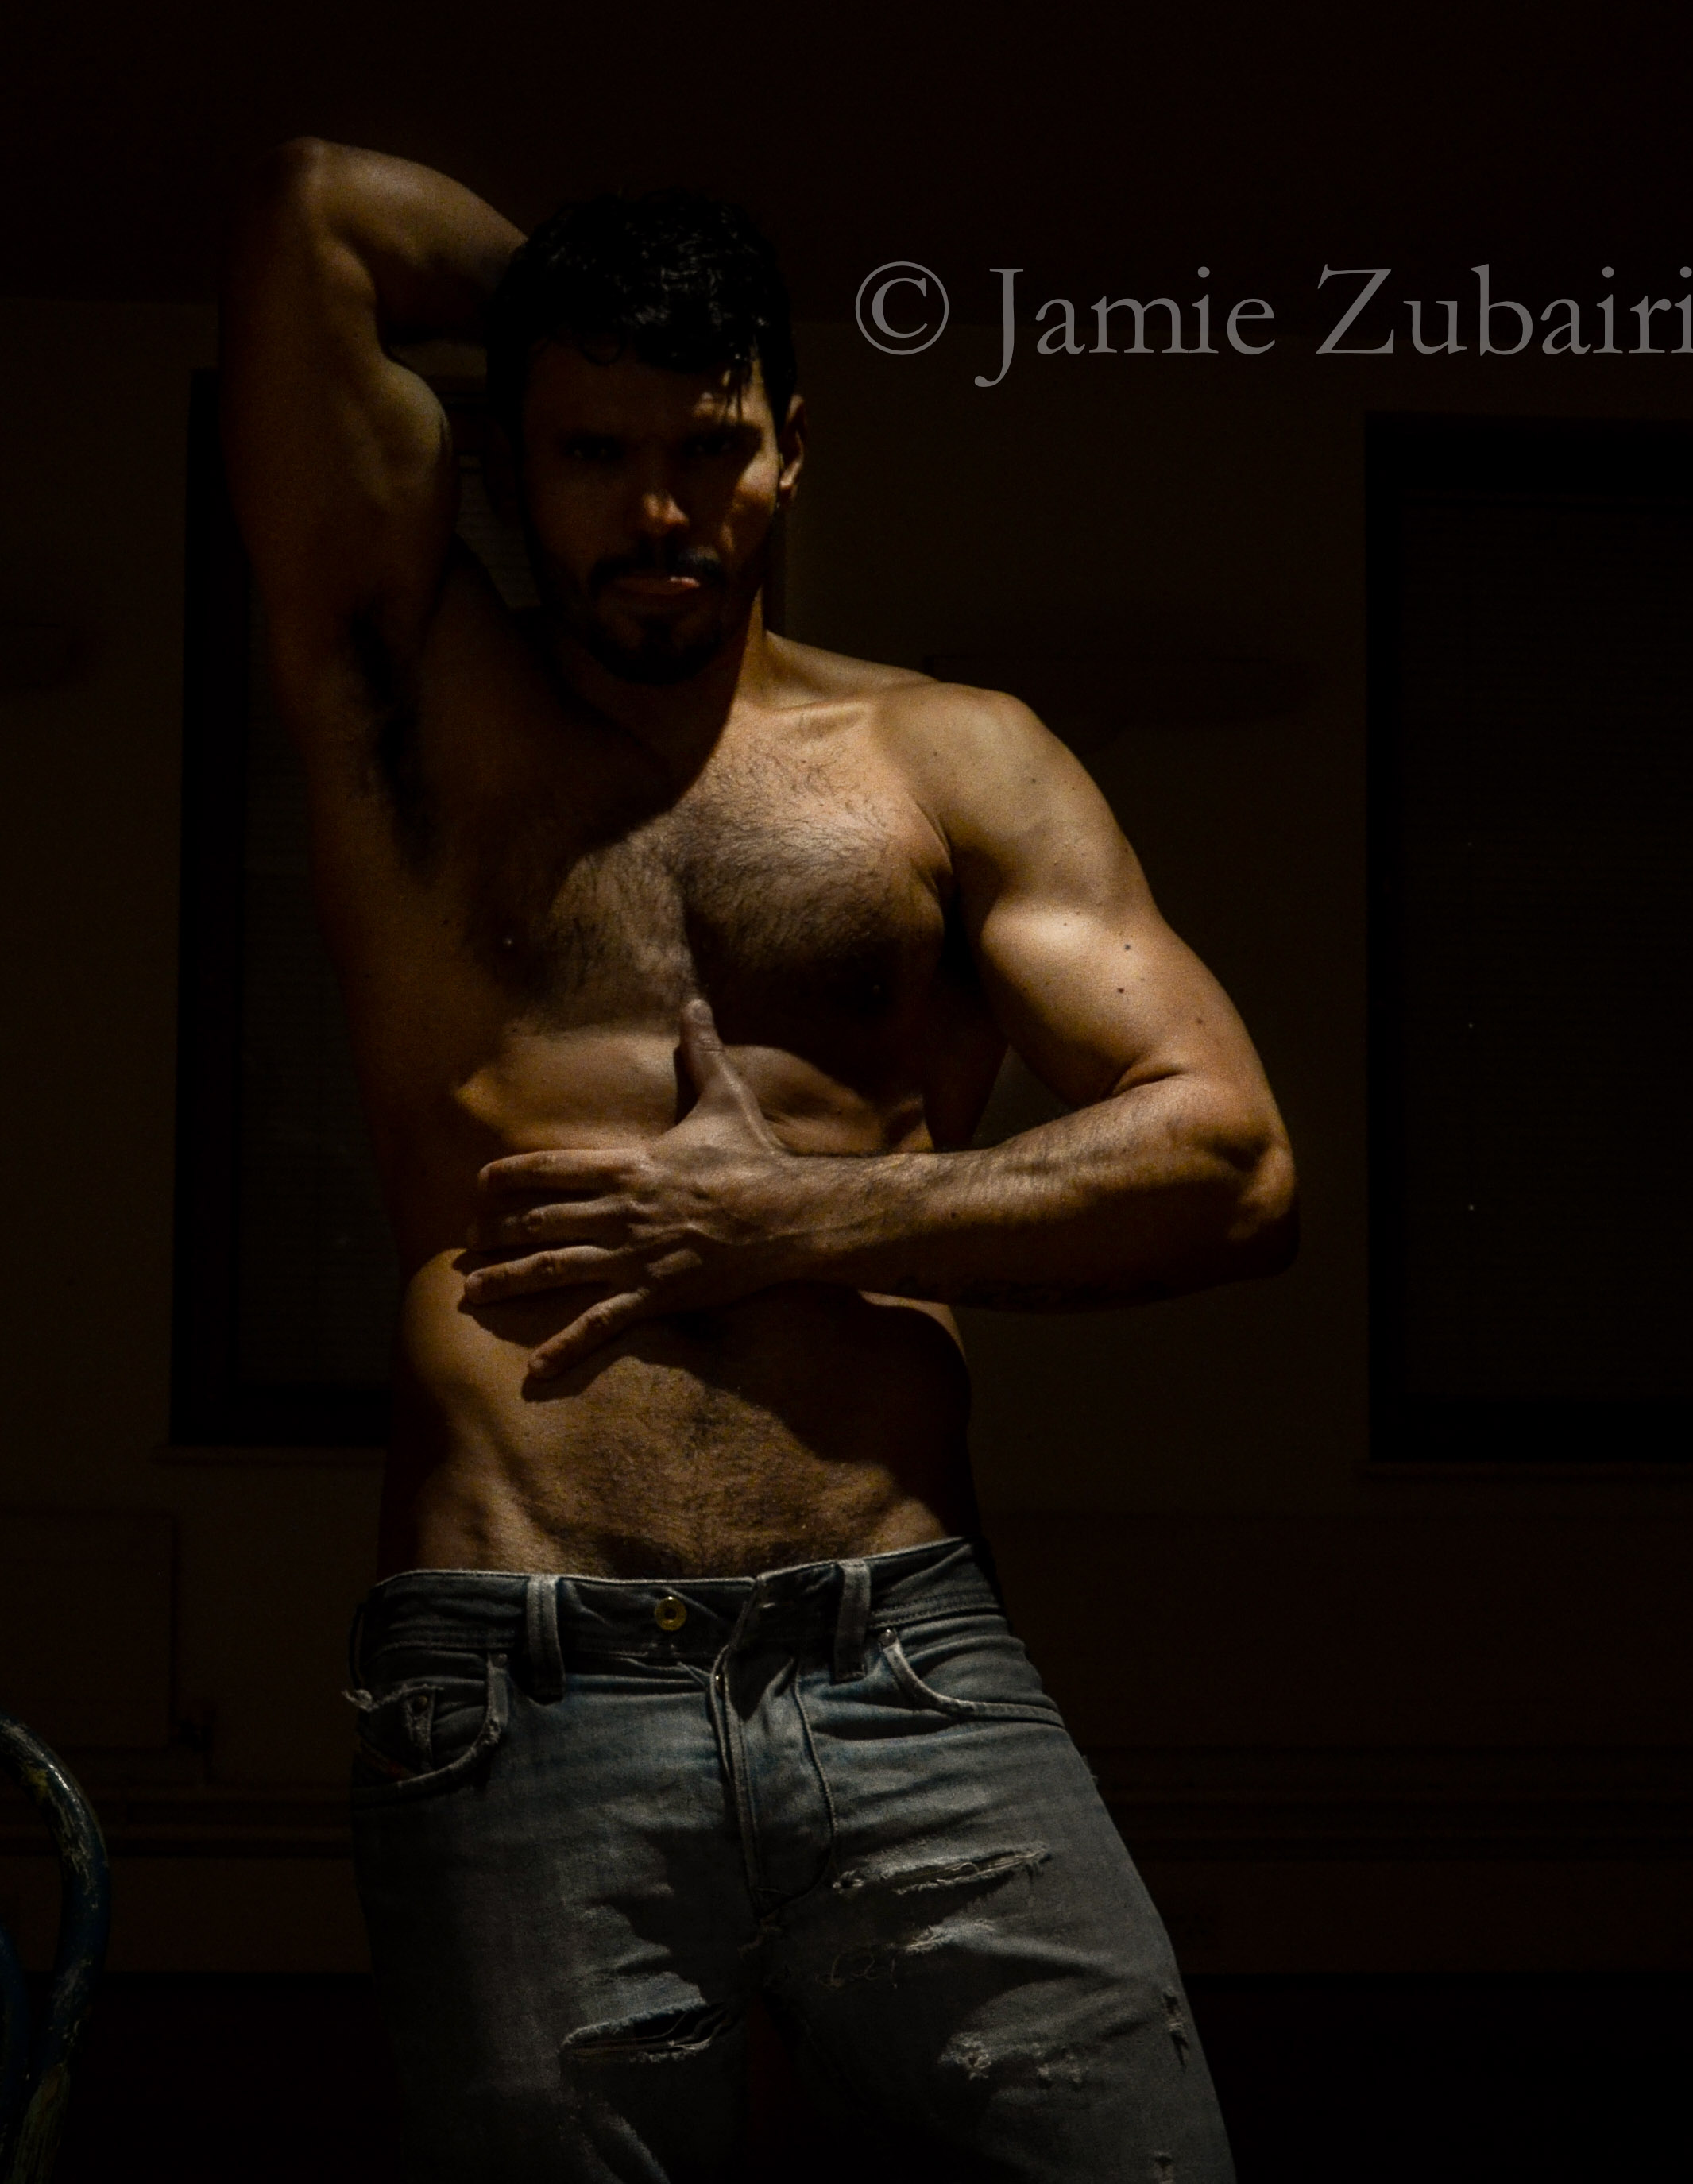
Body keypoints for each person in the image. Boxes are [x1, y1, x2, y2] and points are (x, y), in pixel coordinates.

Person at [220, 140, 1297, 2181]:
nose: (657, 511)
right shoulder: (412, 705)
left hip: (907, 1650)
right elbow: (315, 213)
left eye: (709, 445)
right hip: (521, 1666)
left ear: (795, 449)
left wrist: (792, 1216)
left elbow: (1235, 1161)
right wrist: (587, 293)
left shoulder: (953, 758)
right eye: (592, 449)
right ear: (509, 462)